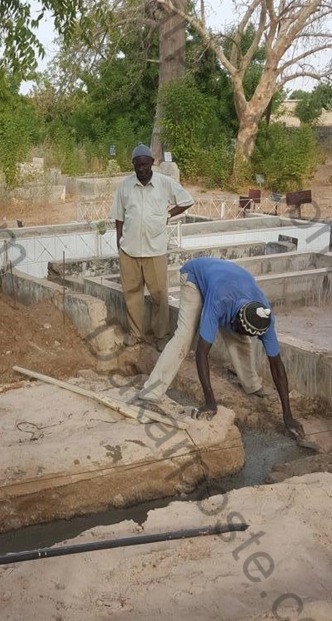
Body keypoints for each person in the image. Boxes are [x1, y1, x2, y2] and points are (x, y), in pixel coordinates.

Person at [136, 256, 305, 438]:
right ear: (235, 319)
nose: (248, 335)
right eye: (242, 329)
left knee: (240, 340)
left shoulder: (265, 318)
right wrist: (210, 401)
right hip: (194, 276)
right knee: (184, 337)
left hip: (227, 281)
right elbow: (202, 352)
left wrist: (288, 415)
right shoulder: (219, 302)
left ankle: (252, 385)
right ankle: (150, 392)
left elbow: (277, 366)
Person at [110, 144, 194, 350]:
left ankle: (161, 335)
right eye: (137, 165)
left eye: (145, 165)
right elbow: (119, 218)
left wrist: (168, 214)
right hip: (129, 250)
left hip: (155, 250)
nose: (141, 169)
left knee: (159, 295)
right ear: (133, 165)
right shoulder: (124, 186)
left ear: (152, 164)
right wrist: (119, 243)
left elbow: (187, 200)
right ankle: (136, 334)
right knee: (132, 293)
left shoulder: (165, 184)